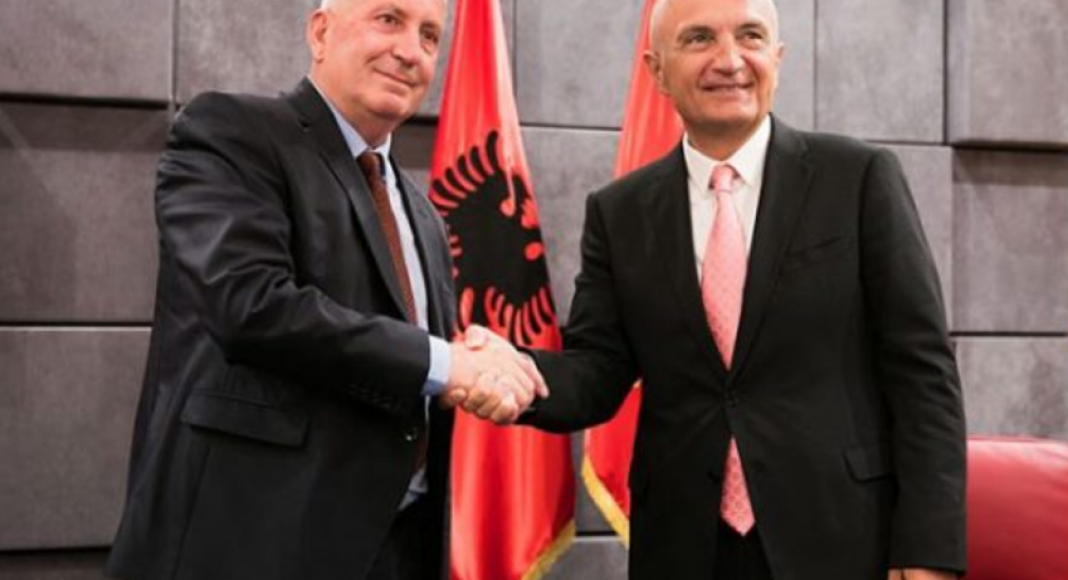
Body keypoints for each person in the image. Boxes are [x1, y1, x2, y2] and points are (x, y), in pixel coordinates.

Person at [463, 0, 966, 578]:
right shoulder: (620, 212)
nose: (729, 60)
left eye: (750, 36)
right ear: (657, 69)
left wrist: (928, 552)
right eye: (699, 38)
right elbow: (597, 370)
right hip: (684, 545)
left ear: (777, 57)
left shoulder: (857, 178)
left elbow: (923, 373)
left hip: (840, 539)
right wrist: (518, 375)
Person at [105, 1, 542, 579]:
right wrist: (445, 362)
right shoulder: (232, 133)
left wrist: (472, 362)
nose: (410, 51)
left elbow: (404, 361)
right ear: (320, 31)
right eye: (389, 20)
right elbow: (252, 306)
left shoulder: (424, 216)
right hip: (252, 548)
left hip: (396, 551)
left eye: (430, 36)